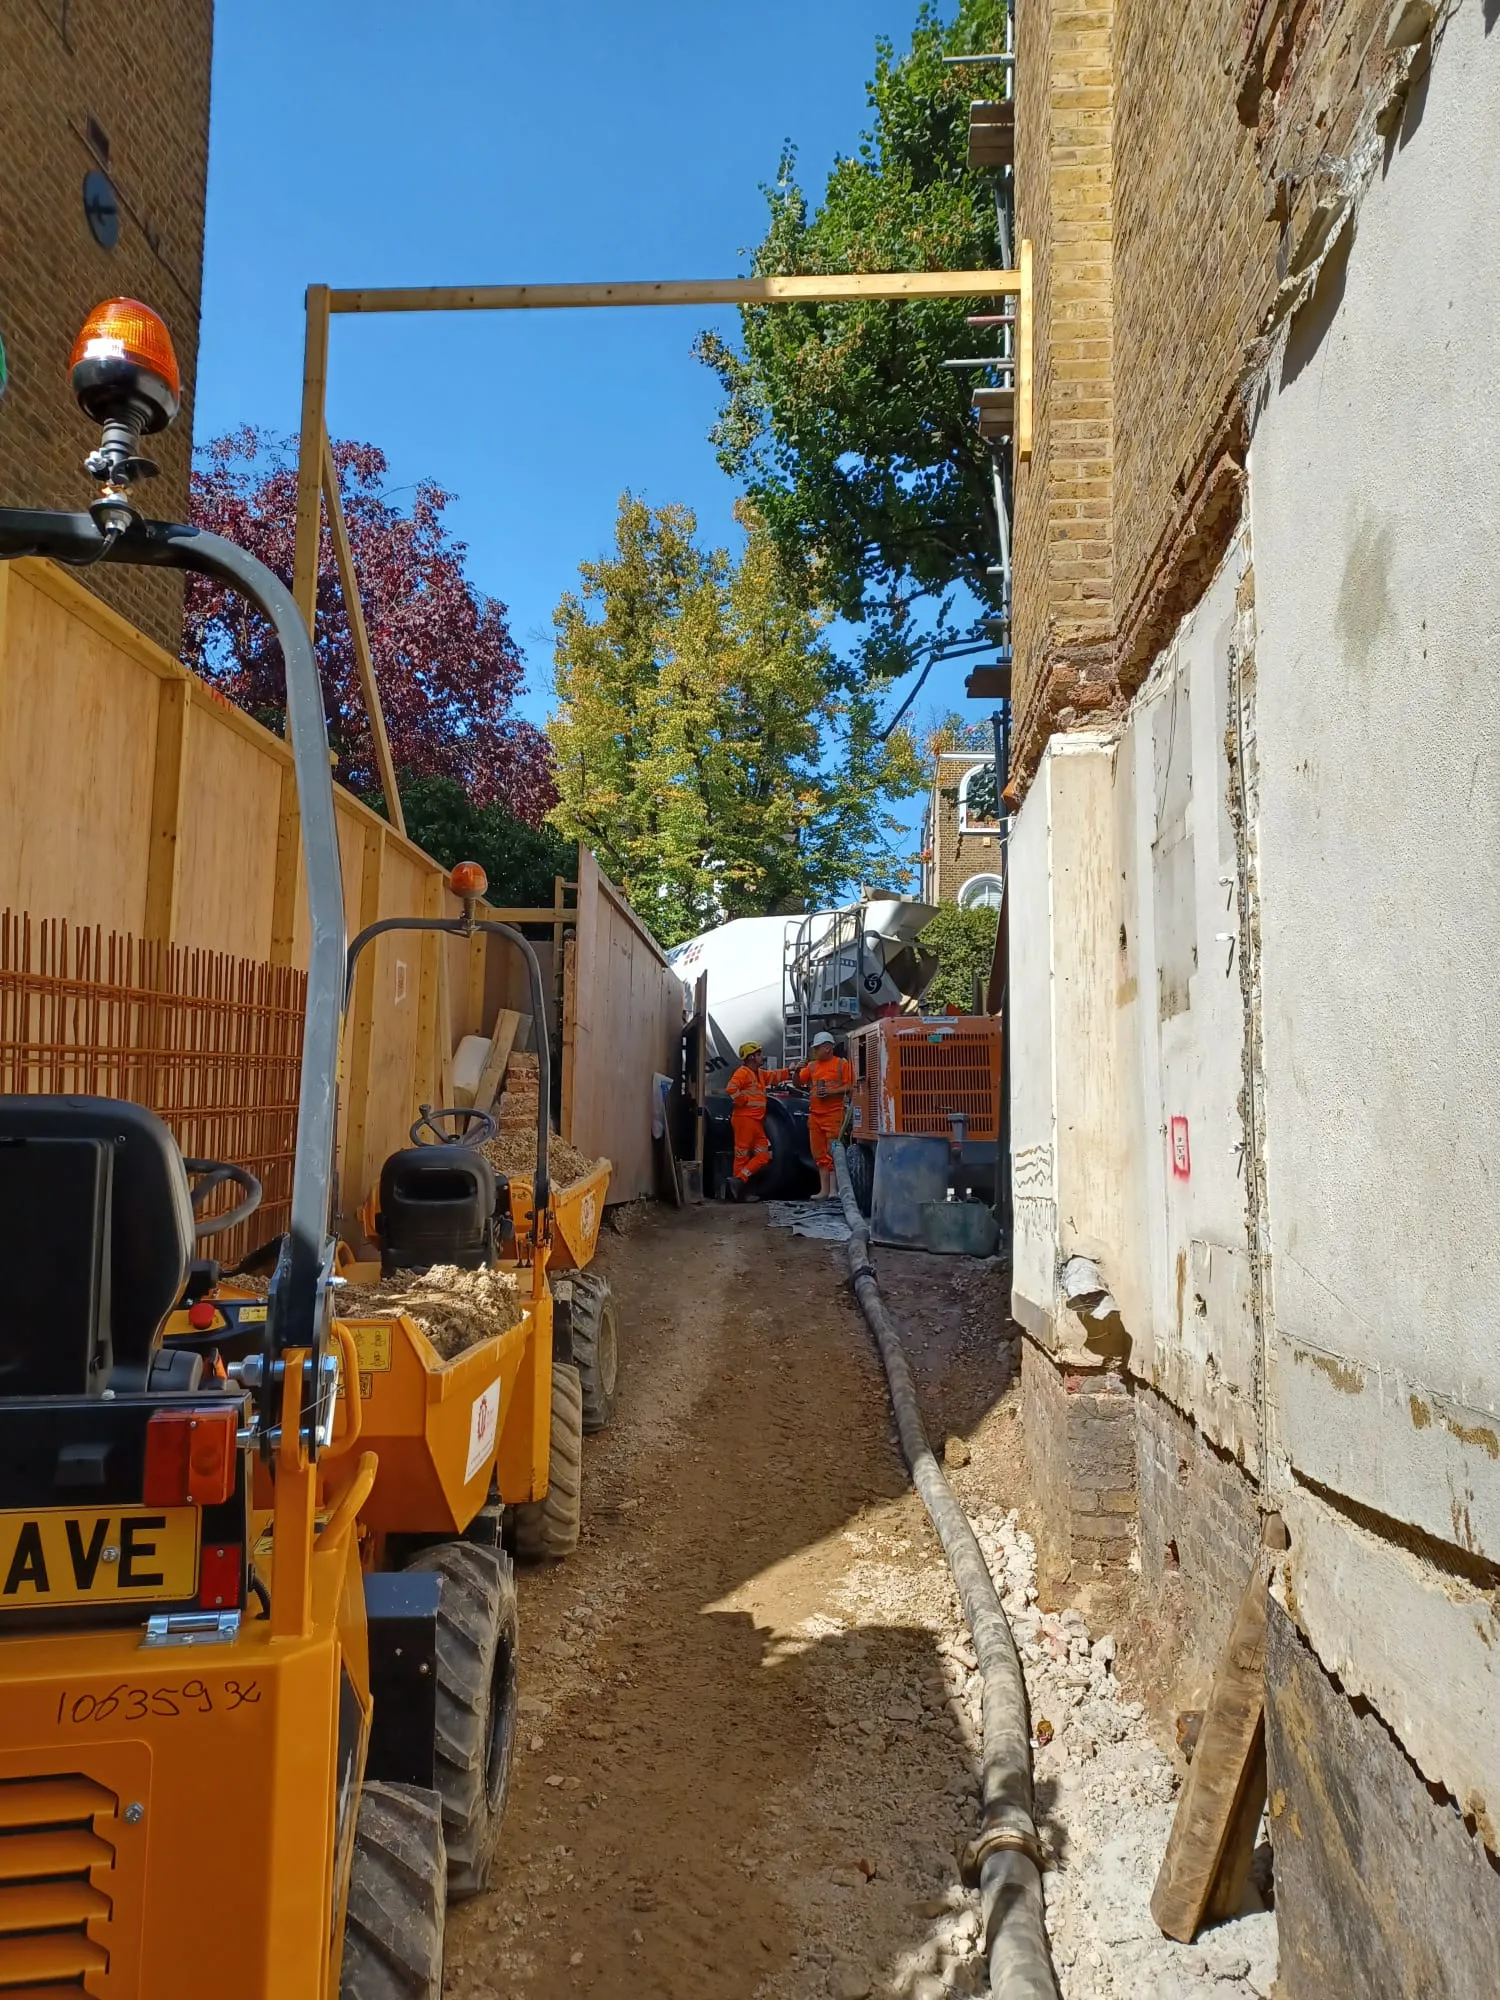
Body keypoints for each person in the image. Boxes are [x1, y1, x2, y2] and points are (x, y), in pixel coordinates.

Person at [724, 1040, 791, 1197]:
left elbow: (774, 1076)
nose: (762, 1057)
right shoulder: (742, 1072)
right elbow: (731, 1088)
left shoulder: (759, 1074)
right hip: (744, 1120)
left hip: (756, 1121)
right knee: (742, 1155)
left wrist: (791, 1071)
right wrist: (743, 1101)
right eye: (759, 1054)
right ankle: (738, 1192)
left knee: (763, 1156)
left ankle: (739, 1181)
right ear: (751, 1057)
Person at [797, 1029, 855, 1200]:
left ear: (828, 1048)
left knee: (834, 1152)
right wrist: (796, 1071)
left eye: (817, 1048)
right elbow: (799, 1082)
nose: (814, 1051)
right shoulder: (812, 1066)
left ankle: (834, 1191)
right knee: (819, 1154)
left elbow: (850, 1087)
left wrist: (831, 1092)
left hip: (833, 1115)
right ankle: (824, 1191)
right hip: (815, 1116)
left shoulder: (841, 1064)